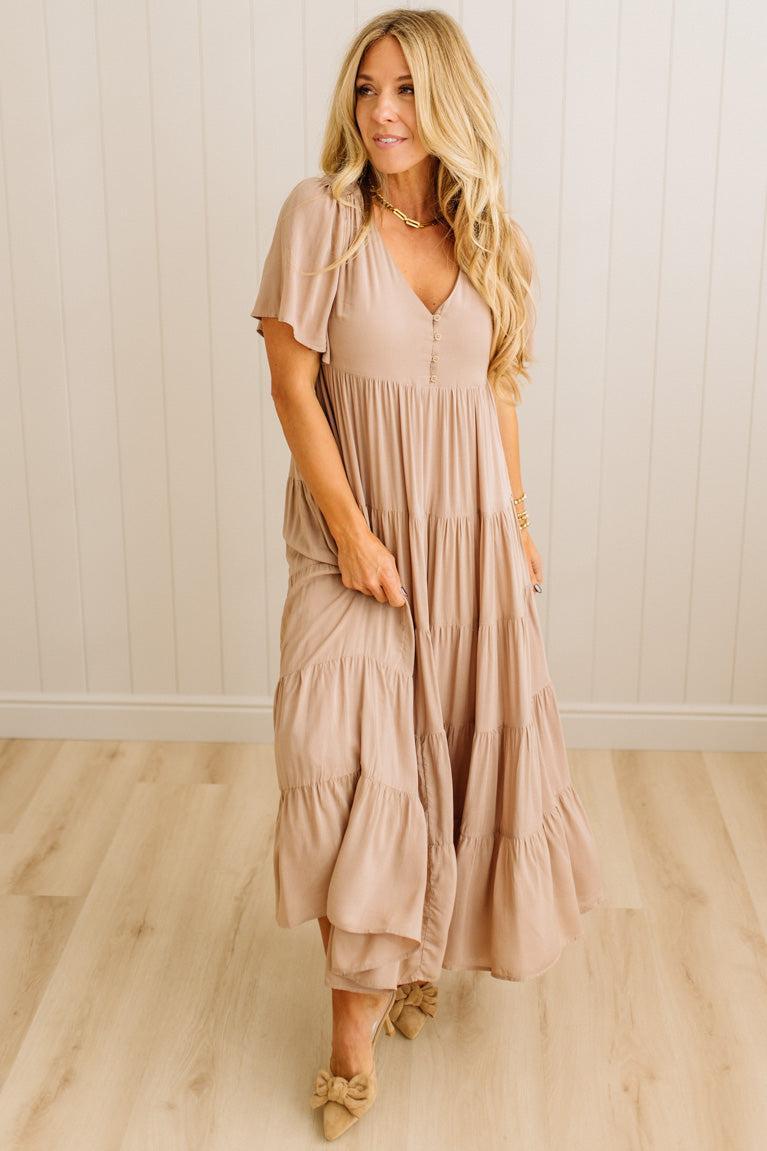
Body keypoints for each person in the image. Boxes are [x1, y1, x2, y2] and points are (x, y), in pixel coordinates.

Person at [251, 8, 605, 1142]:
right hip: (355, 545)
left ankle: (418, 954)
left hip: (471, 544)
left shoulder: (490, 237)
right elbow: (291, 389)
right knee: (350, 763)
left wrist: (519, 517)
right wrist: (352, 533)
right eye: (366, 89)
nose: (383, 112)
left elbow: (498, 387)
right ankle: (350, 1037)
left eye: (404, 89)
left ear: (447, 100)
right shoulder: (321, 218)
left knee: (450, 756)